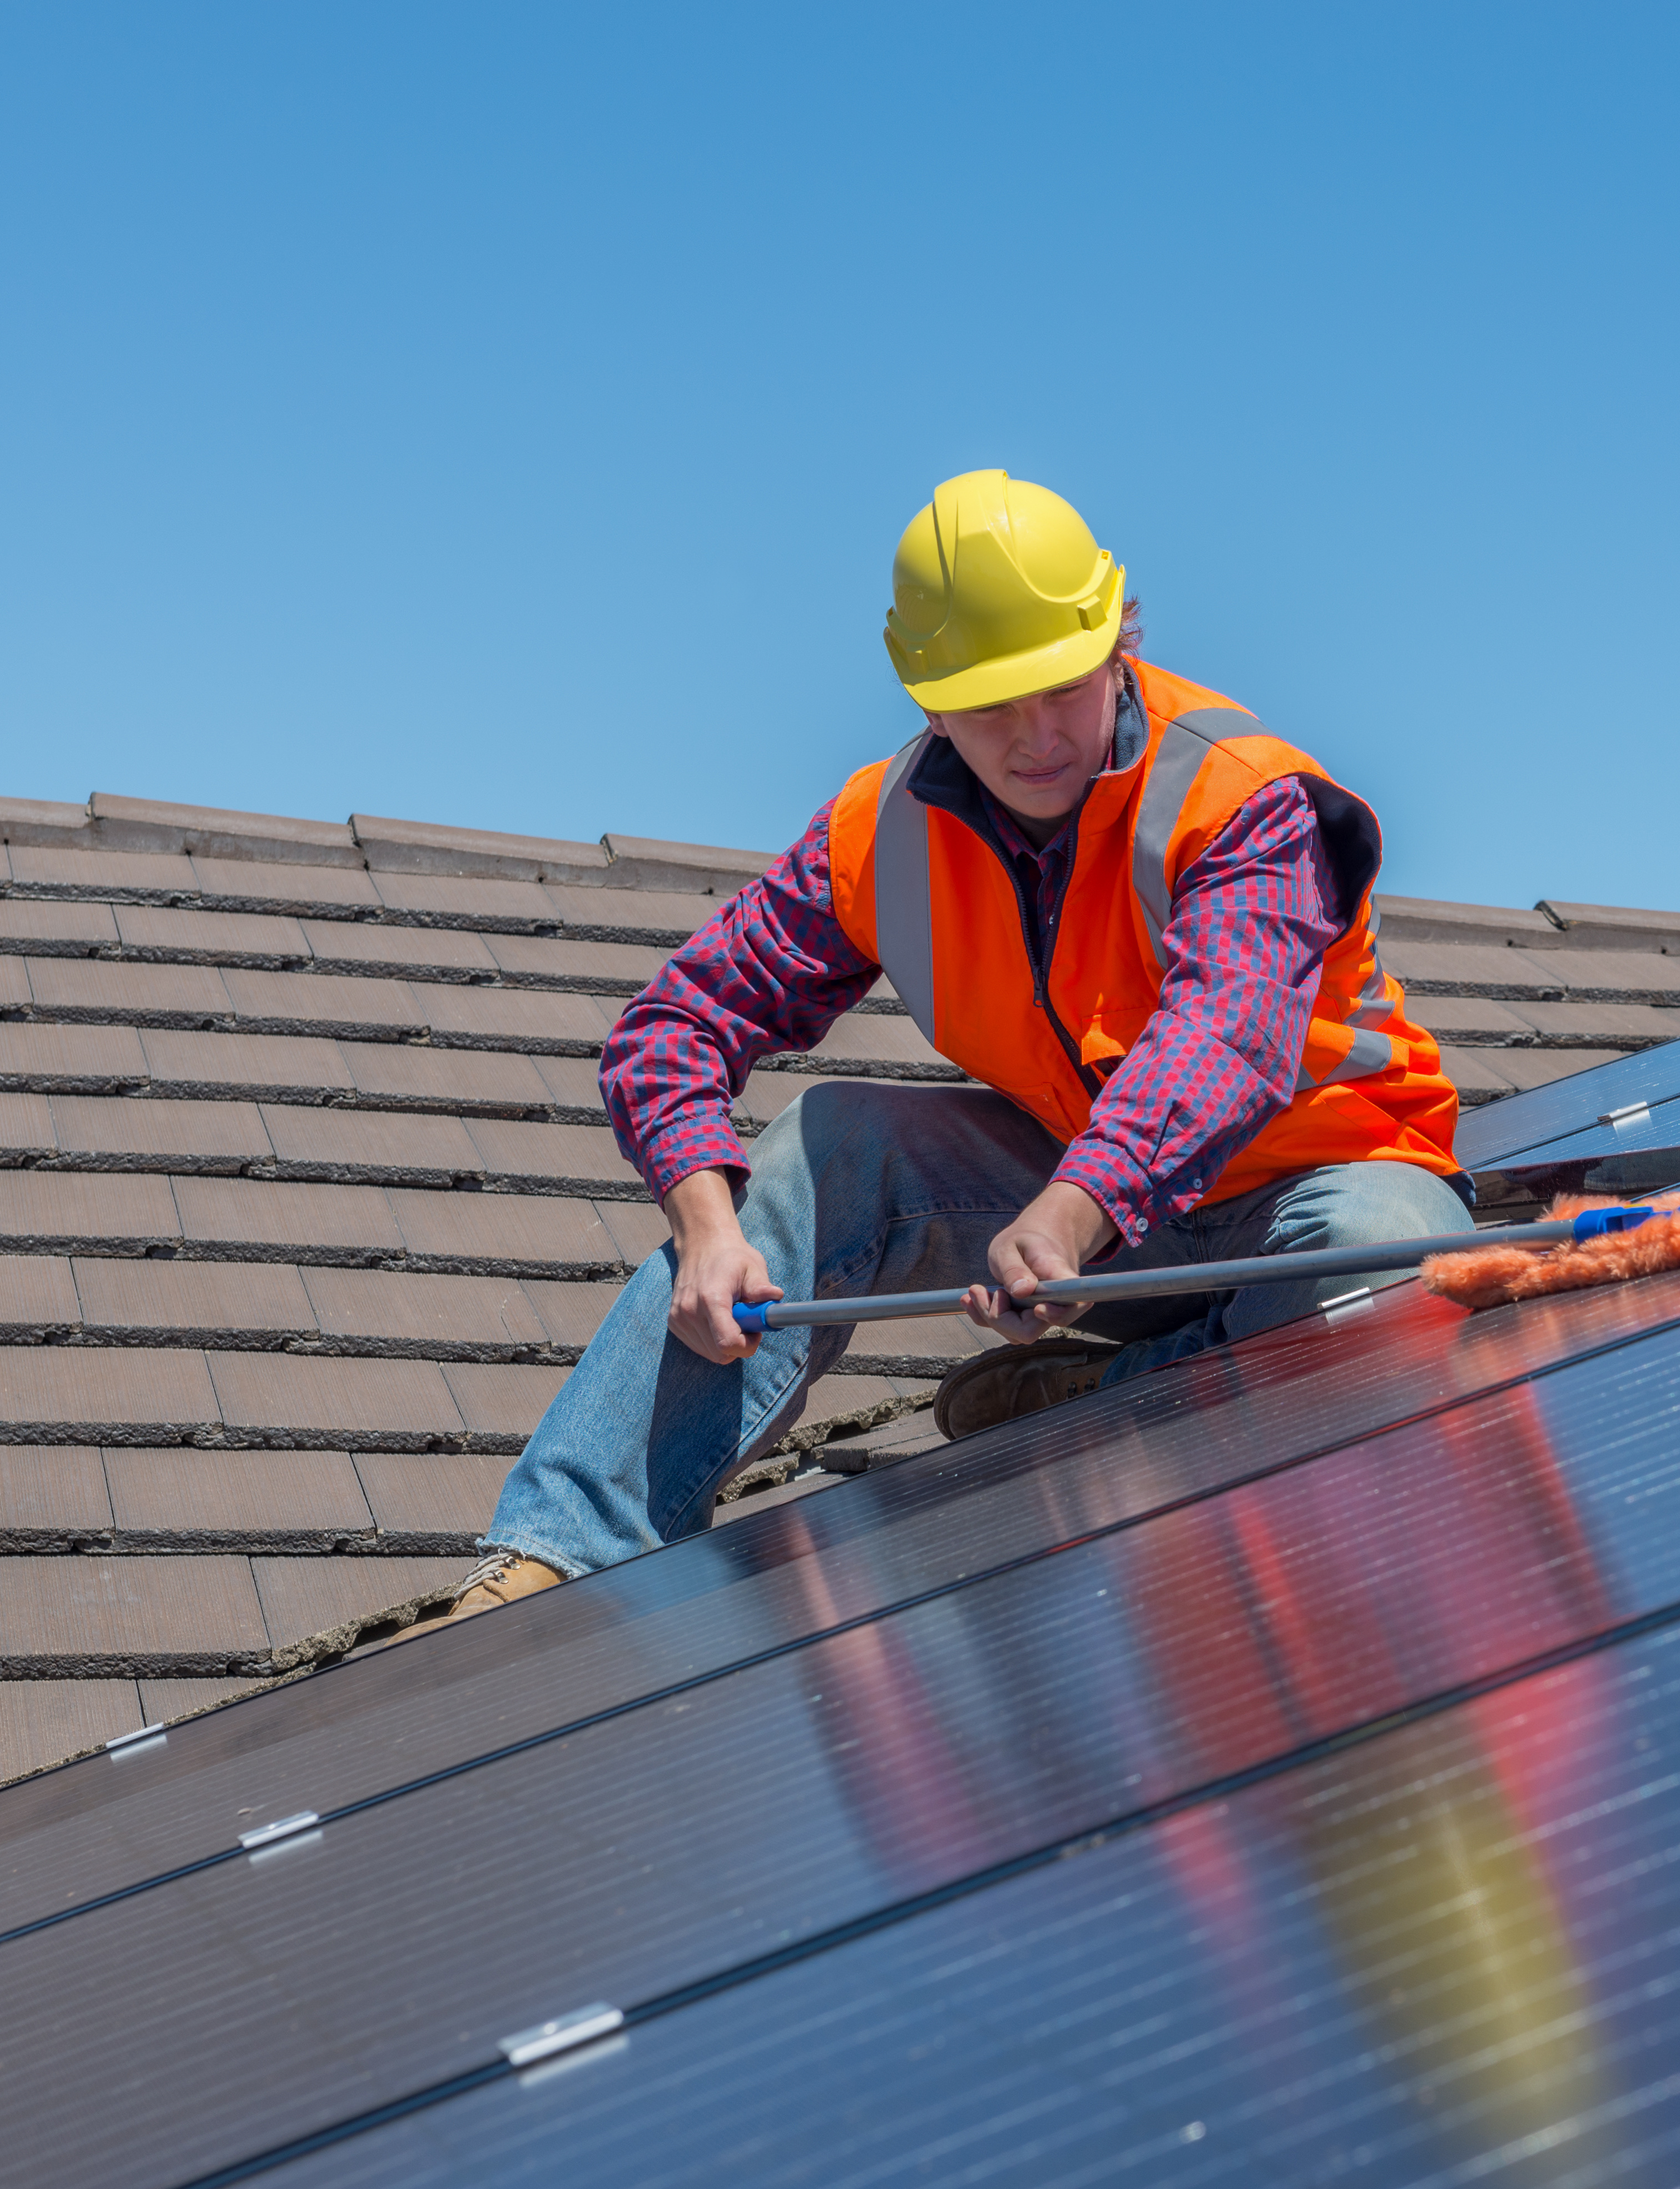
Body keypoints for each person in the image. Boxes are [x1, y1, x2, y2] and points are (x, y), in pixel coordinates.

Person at [433, 469, 1469, 1621]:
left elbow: (1221, 1039)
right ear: (926, 700)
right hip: (1091, 1224)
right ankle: (557, 1562)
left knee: (1396, 1257)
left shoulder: (1241, 798)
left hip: (1307, 1203)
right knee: (840, 1141)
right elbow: (671, 1027)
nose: (1034, 737)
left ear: (1117, 644)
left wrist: (1070, 1214)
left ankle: (1123, 1391)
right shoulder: (875, 833)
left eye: (1062, 691)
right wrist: (707, 1226)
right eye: (988, 707)